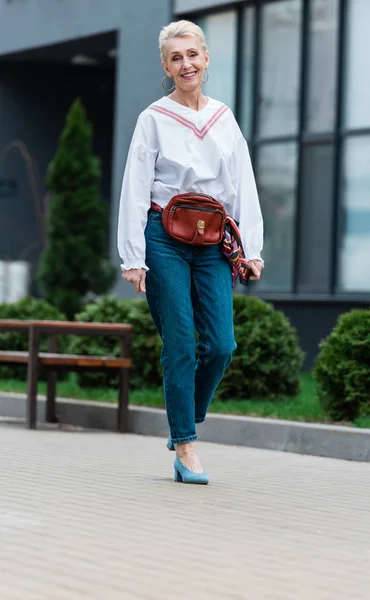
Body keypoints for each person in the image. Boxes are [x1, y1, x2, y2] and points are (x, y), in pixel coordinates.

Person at [117, 20, 264, 484]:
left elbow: (243, 185)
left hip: (213, 239)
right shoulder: (153, 118)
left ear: (206, 59)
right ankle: (185, 444)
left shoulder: (224, 118)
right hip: (163, 236)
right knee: (179, 341)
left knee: (221, 345)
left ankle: (185, 414)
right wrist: (133, 256)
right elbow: (135, 188)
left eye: (193, 55)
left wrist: (251, 249)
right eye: (176, 58)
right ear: (166, 66)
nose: (186, 64)